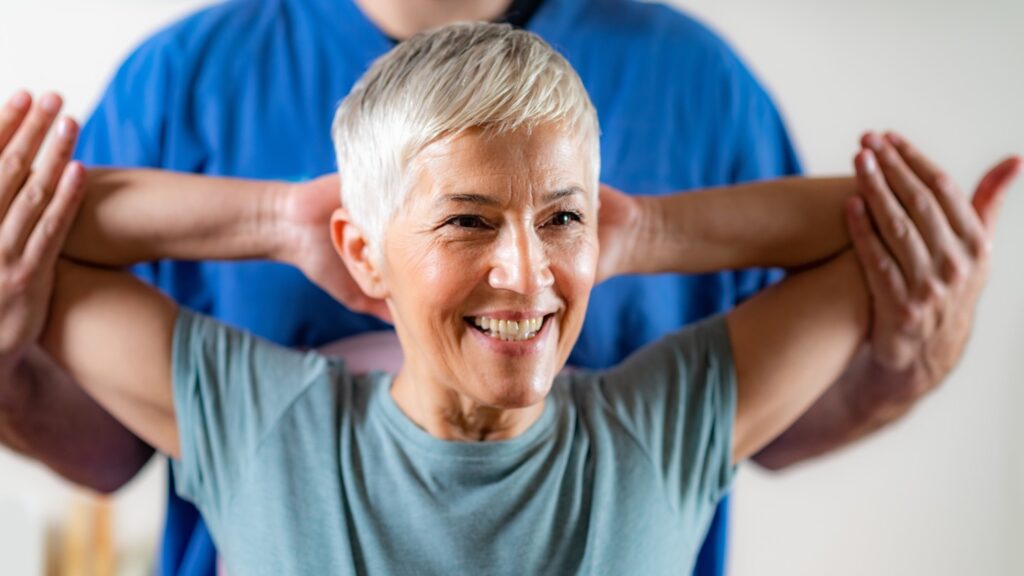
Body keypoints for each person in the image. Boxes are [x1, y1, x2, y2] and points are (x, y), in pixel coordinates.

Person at [0, 2, 1010, 575]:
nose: (524, 272)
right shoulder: (264, 427)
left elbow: (853, 255)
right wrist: (279, 220)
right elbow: (65, 296)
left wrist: (640, 232)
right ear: (364, 250)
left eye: (557, 218)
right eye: (468, 220)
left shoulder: (657, 430)